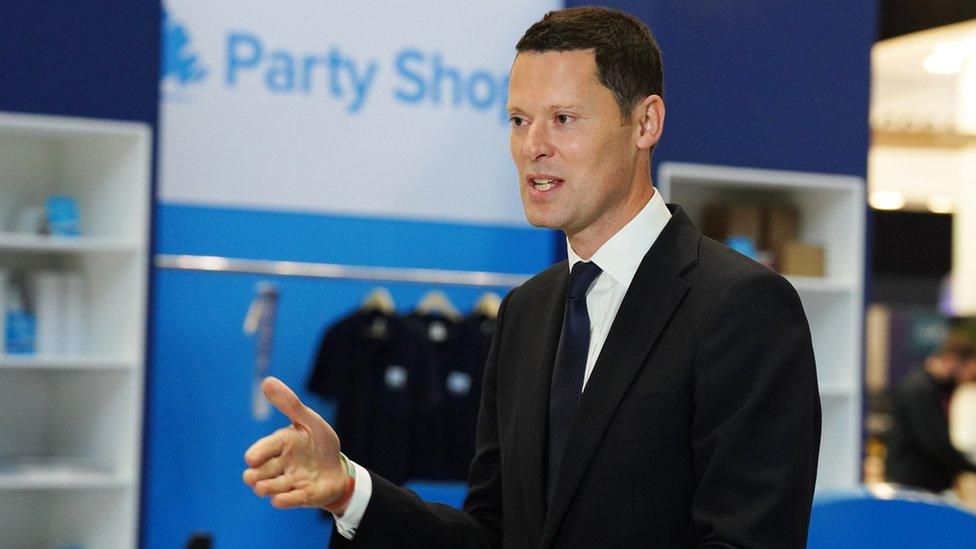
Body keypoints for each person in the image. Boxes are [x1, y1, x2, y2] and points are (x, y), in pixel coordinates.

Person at [243, 6, 822, 547]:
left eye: (563, 119)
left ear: (645, 122)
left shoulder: (741, 306)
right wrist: (351, 491)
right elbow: (494, 533)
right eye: (519, 120)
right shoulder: (525, 311)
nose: (532, 147)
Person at [887, 337, 976, 493]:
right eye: (967, 371)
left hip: (926, 484)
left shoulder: (937, 389)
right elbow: (934, 442)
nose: (966, 379)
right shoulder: (919, 390)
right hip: (914, 486)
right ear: (952, 360)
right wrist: (968, 466)